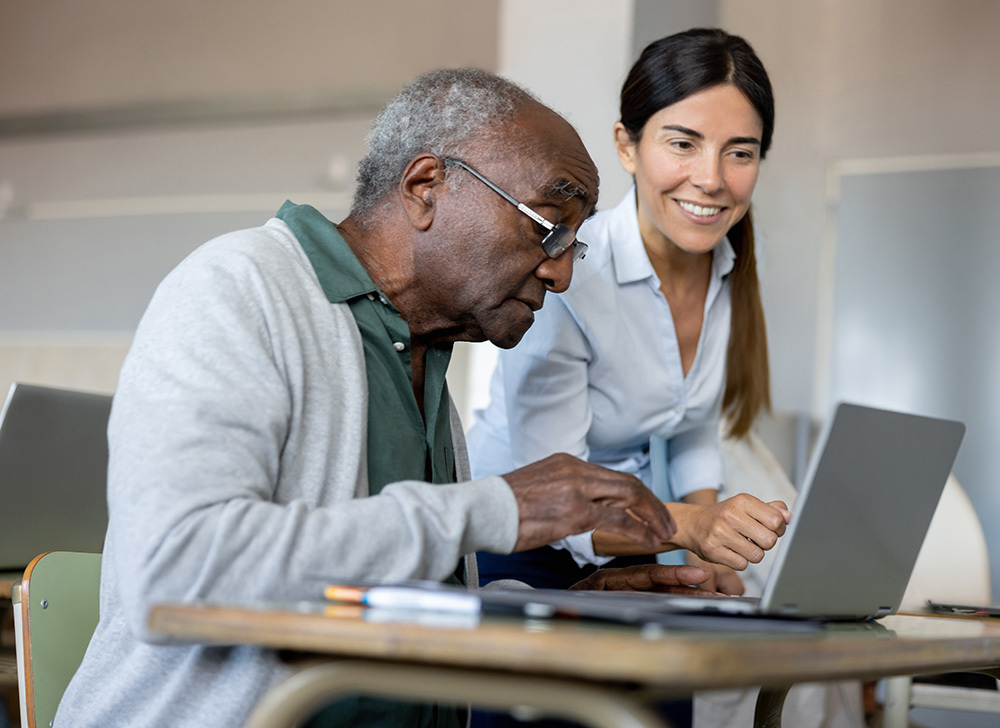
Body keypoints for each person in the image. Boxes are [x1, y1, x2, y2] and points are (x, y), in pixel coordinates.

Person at [52, 69, 707, 728]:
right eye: (548, 227)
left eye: (575, 241)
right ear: (426, 188)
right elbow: (175, 571)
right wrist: (494, 505)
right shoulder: (236, 289)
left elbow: (370, 589)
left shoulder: (422, 355)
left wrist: (564, 607)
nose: (560, 273)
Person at [468, 28, 786, 600]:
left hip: (629, 536)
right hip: (517, 546)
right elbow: (558, 495)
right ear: (627, 147)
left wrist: (714, 538)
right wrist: (692, 528)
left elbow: (689, 425)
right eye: (683, 144)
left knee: (679, 684)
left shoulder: (727, 266)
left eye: (739, 152)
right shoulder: (570, 278)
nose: (712, 180)